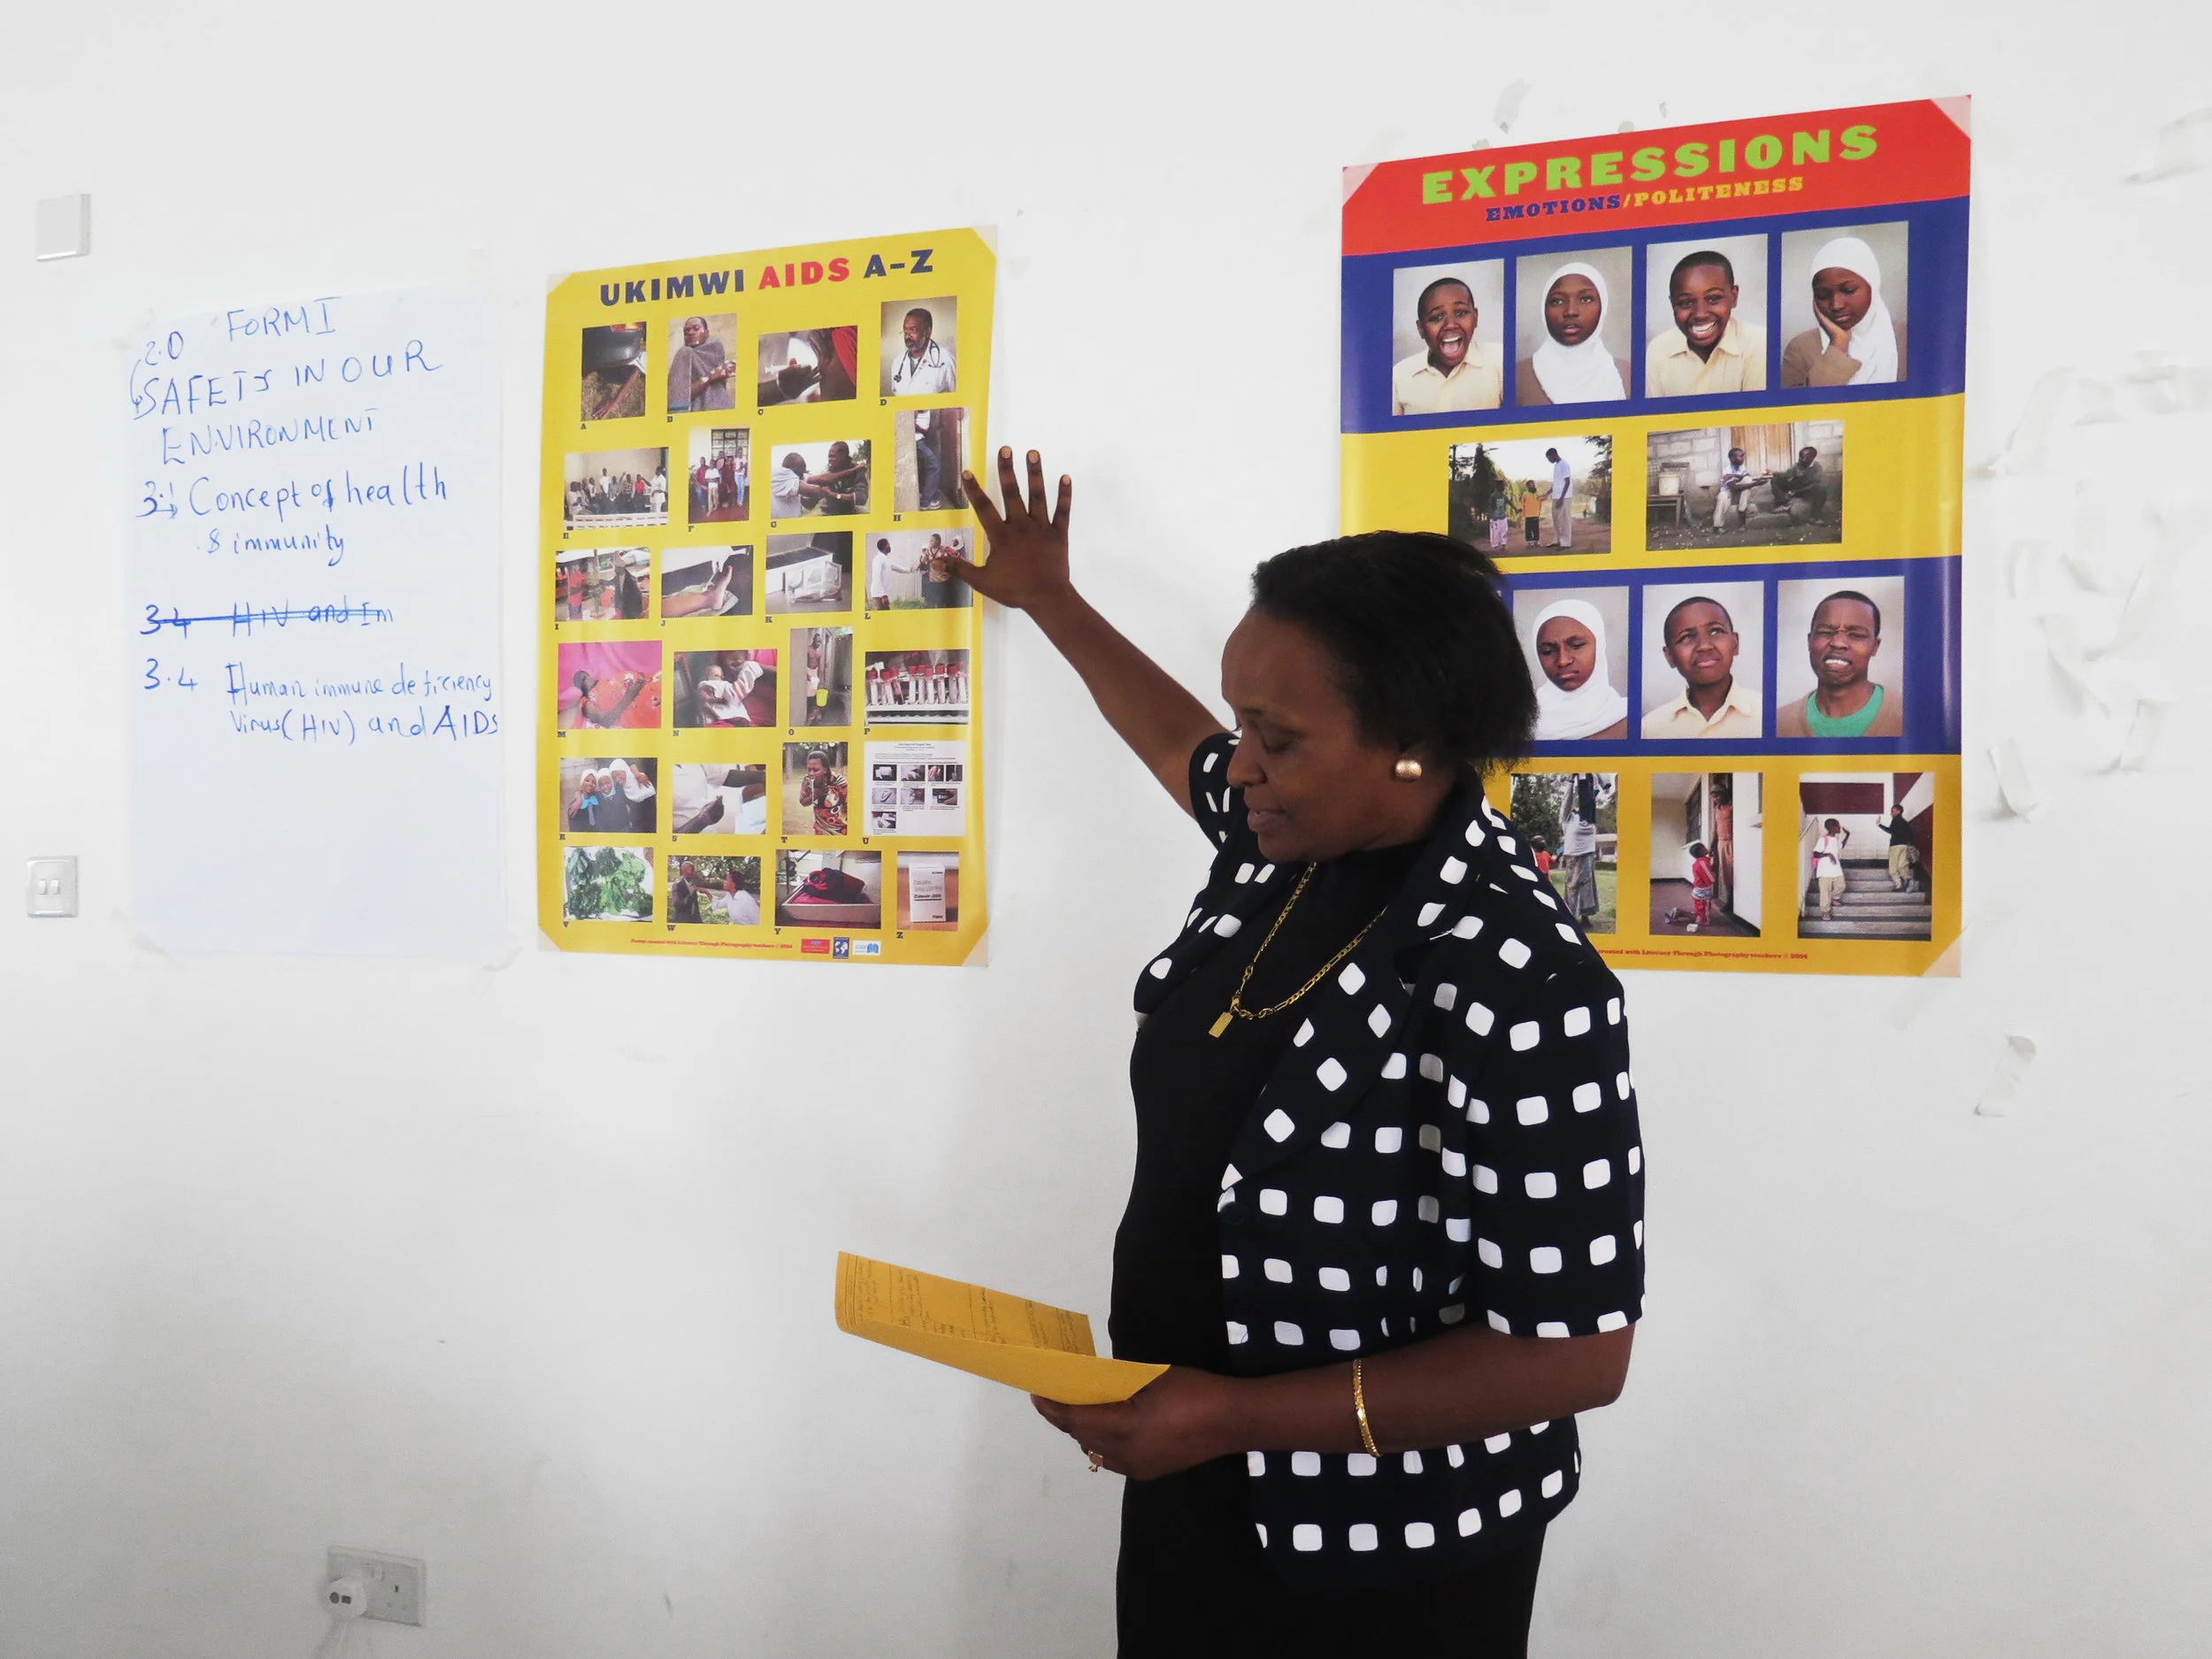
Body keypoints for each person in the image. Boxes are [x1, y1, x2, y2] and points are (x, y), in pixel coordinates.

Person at [938, 448, 1642, 1655]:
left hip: (1385, 1548)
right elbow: (1178, 746)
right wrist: (1053, 597)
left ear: (1415, 746)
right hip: (1190, 1471)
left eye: (1275, 734)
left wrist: (1236, 1417)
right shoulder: (1283, 839)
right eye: (1242, 721)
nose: (1239, 762)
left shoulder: (1520, 975)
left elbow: (1575, 1353)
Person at [1782, 234, 1905, 388]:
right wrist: (1837, 346)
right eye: (1822, 295)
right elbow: (1803, 408)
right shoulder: (1800, 349)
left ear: (1872, 286)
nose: (1836, 305)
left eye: (1849, 290)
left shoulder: (1908, 339)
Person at [1777, 590, 1902, 738]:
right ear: (1810, 641)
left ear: (1875, 646)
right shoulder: (1780, 723)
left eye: (1856, 635)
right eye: (1825, 632)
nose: (1838, 643)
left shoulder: (1910, 718)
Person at [1646, 250, 1767, 397]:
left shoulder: (1759, 343)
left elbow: (1759, 418)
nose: (1700, 314)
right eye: (1686, 302)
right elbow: (1652, 420)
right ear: (1672, 304)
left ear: (1733, 297)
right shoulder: (1658, 350)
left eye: (1713, 299)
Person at [1641, 596, 1760, 739]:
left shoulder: (1767, 714)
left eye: (1716, 631)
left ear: (1735, 643)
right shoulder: (1650, 728)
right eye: (1687, 637)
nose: (1704, 646)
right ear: (1669, 656)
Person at [1514, 261, 1627, 406]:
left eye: (1585, 299)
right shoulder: (1517, 376)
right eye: (1557, 301)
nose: (1570, 311)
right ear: (1543, 309)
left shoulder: (1627, 374)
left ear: (1603, 306)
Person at [1390, 276, 1503, 415]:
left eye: (1461, 313)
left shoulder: (1499, 359)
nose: (1450, 324)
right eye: (1436, 317)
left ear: (1475, 318)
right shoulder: (1399, 376)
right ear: (1421, 329)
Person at [1528, 598, 1628, 742]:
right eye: (1548, 651)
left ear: (1599, 646)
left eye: (1576, 645)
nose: (1562, 661)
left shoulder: (1630, 719)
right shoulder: (1522, 723)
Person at [1558, 775, 1602, 927]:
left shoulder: (1589, 817)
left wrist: (1593, 779)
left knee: (1587, 886)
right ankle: (1571, 916)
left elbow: (1592, 795)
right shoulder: (1567, 818)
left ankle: (1585, 917)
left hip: (1588, 854)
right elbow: (1567, 800)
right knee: (1572, 886)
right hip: (1573, 855)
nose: (1576, 805)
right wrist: (1571, 781)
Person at [668, 316, 736, 412]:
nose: (691, 333)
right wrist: (711, 377)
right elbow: (679, 395)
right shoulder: (684, 354)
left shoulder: (716, 348)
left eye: (696, 329)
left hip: (725, 407)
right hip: (700, 411)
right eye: (686, 331)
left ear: (706, 333)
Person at [568, 666, 654, 730]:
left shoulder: (604, 680)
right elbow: (606, 721)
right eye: (581, 682)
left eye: (584, 676)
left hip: (648, 682)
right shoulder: (586, 702)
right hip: (642, 702)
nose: (584, 680)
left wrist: (636, 675)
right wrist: (629, 695)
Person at [1766, 447, 1827, 526]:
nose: (1800, 459)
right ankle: (1782, 504)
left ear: (1812, 457)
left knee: (1821, 490)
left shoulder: (1817, 468)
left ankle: (1815, 516)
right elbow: (1787, 475)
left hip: (1808, 490)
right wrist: (1773, 473)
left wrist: (1794, 492)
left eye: (1803, 458)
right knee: (1775, 480)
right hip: (1797, 486)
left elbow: (1814, 483)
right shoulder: (1797, 465)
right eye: (1800, 457)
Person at [798, 749, 848, 835]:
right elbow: (803, 802)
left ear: (825, 770)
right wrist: (816, 794)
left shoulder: (839, 783)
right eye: (809, 769)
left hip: (840, 831)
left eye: (815, 770)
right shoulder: (807, 781)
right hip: (820, 830)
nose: (811, 773)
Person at [1712, 447, 1759, 531]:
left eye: (1742, 456)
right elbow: (1733, 487)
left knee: (1748, 480)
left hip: (1739, 493)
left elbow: (1746, 478)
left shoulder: (1742, 467)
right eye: (1740, 456)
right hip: (1729, 492)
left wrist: (1753, 483)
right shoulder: (1727, 470)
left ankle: (1742, 510)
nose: (1742, 458)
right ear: (1732, 458)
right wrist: (1755, 484)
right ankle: (1717, 526)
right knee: (1722, 497)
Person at [1810, 819, 1849, 918]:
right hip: (1824, 871)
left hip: (1836, 869)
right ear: (1832, 827)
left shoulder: (1835, 839)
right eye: (1837, 825)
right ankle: (1825, 911)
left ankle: (1833, 898)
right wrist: (1828, 854)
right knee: (1825, 892)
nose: (1839, 827)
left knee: (1841, 886)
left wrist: (1848, 835)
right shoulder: (1823, 839)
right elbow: (1815, 853)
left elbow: (1841, 846)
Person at [1883, 804, 1920, 891]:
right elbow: (1911, 835)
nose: (1892, 813)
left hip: (1895, 846)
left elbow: (1891, 831)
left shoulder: (1895, 820)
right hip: (1904, 846)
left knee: (1892, 868)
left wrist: (1880, 825)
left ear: (1898, 811)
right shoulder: (1905, 823)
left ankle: (1899, 885)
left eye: (1893, 811)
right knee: (1902, 866)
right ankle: (1908, 880)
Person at [1547, 448, 1574, 550]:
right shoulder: (1557, 466)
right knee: (1556, 520)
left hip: (1564, 497)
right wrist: (1547, 494)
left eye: (1549, 458)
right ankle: (1557, 540)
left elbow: (1567, 481)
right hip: (1556, 497)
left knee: (1564, 520)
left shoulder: (1563, 464)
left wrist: (1561, 498)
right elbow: (1556, 484)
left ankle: (1565, 543)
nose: (1549, 460)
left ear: (1553, 455)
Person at [1686, 841, 1715, 932]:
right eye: (1704, 847)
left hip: (1698, 890)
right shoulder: (1702, 863)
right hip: (1703, 892)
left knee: (1700, 907)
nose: (1706, 848)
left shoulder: (1701, 861)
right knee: (1705, 907)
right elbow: (1711, 879)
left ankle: (1697, 915)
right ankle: (1703, 921)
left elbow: (1707, 863)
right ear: (1701, 851)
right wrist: (1714, 875)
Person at [667, 859, 703, 926]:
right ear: (684, 870)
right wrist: (690, 894)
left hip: (696, 920)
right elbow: (678, 906)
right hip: (683, 921)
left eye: (693, 869)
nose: (694, 872)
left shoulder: (693, 883)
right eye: (692, 869)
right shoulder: (677, 885)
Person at [1487, 486, 1511, 550]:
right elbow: (1489, 506)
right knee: (1495, 532)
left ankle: (1504, 545)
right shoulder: (1492, 497)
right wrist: (1492, 516)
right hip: (1495, 518)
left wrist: (1516, 509)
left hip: (1503, 517)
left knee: (1504, 531)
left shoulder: (1504, 496)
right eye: (1502, 486)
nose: (1504, 488)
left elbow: (1509, 502)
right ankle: (1495, 547)